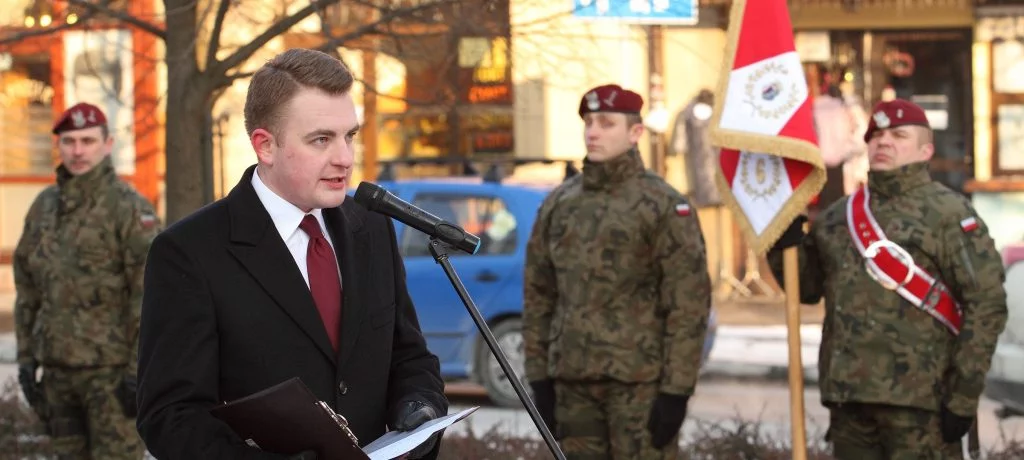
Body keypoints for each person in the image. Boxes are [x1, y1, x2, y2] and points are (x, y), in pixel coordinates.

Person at [135, 48, 447, 459]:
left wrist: (419, 408)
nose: (345, 158)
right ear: (265, 146)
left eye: (349, 136)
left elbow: (409, 356)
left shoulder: (371, 227)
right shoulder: (189, 252)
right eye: (321, 140)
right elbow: (170, 417)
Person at [767, 99, 1008, 459]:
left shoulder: (948, 214)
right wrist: (781, 245)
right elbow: (807, 289)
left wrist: (963, 395)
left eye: (899, 135)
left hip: (922, 402)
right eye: (876, 135)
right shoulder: (838, 217)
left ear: (926, 150)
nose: (884, 142)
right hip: (850, 399)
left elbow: (986, 305)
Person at [523, 83, 712, 459]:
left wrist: (677, 391)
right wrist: (538, 377)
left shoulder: (663, 206)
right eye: (589, 122)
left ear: (635, 132)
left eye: (606, 123)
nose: (593, 132)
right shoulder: (560, 204)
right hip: (572, 384)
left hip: (640, 385)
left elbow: (688, 305)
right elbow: (539, 295)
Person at [13, 101, 160, 459]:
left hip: (111, 378)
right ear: (59, 146)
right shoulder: (44, 207)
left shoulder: (129, 208)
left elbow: (149, 295)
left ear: (107, 145)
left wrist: (138, 372)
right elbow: (27, 288)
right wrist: (27, 358)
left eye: (87, 141)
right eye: (69, 141)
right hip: (57, 374)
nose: (77, 151)